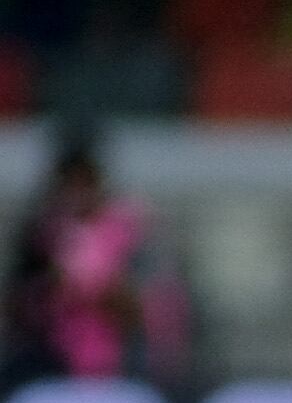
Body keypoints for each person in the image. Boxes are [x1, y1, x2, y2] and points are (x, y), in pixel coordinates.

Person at [3, 134, 186, 384]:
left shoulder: (132, 229)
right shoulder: (41, 232)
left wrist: (100, 288)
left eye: (85, 182)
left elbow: (155, 306)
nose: (77, 193)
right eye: (69, 184)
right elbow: (19, 304)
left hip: (125, 359)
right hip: (53, 360)